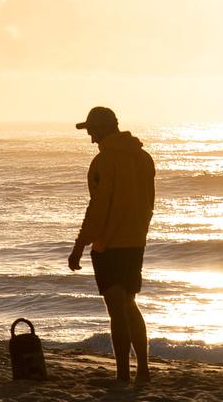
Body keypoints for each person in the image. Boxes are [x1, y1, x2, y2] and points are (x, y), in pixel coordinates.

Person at [67, 107, 156, 384]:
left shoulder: (104, 161)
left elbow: (98, 207)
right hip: (136, 241)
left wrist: (80, 245)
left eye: (92, 130)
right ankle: (142, 370)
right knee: (129, 304)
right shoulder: (143, 158)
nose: (91, 137)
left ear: (104, 128)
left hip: (110, 244)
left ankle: (122, 375)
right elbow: (149, 203)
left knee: (117, 308)